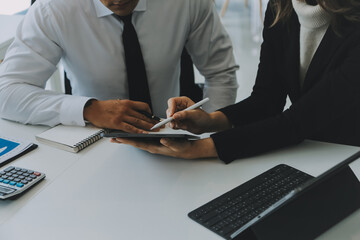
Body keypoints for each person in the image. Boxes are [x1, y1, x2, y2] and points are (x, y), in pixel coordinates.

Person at [115, 0, 360, 163]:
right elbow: (266, 99)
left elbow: (297, 121)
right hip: (308, 152)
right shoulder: (281, 8)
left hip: (350, 157)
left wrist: (202, 148)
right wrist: (211, 121)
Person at [0, 0, 239, 133]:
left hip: (175, 134)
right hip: (92, 140)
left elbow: (220, 72)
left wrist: (212, 130)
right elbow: (7, 92)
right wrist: (88, 109)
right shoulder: (52, 10)